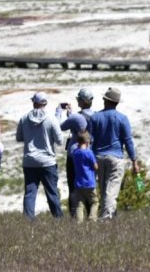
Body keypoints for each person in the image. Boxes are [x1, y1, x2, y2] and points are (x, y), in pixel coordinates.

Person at [87, 87, 139, 219]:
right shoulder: (122, 118)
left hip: (98, 157)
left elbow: (89, 140)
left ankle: (108, 215)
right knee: (112, 189)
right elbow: (128, 141)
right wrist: (134, 161)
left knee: (104, 189)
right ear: (116, 102)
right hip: (115, 157)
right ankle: (106, 218)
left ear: (105, 100)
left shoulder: (95, 117)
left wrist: (89, 159)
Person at [15, 92, 63, 220]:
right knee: (52, 192)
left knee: (30, 193)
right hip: (47, 161)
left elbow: (19, 137)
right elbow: (60, 140)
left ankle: (28, 220)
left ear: (34, 103)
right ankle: (58, 219)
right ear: (45, 103)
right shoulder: (51, 118)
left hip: (29, 161)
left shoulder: (24, 118)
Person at [59, 88, 94, 218]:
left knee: (73, 185)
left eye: (78, 99)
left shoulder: (76, 117)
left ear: (82, 101)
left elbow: (61, 126)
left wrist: (59, 111)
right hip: (89, 153)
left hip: (74, 154)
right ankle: (92, 214)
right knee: (89, 185)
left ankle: (74, 216)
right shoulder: (95, 116)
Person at [69, 131, 98, 222]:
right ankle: (92, 217)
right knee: (95, 202)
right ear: (87, 142)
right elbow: (95, 166)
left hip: (78, 183)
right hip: (89, 183)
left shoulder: (75, 153)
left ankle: (79, 222)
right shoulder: (89, 153)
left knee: (79, 205)